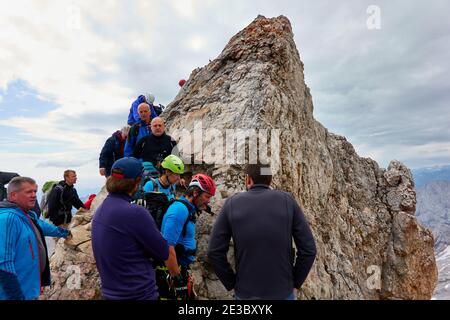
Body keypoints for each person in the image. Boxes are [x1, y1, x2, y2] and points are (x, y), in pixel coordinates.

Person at [207, 163, 317, 300]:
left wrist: (232, 283)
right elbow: (309, 250)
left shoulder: (232, 204)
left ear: (248, 179)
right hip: (283, 292)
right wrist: (295, 282)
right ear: (269, 181)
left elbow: (214, 251)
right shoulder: (288, 201)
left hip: (245, 293)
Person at [91, 157, 178, 300]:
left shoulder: (101, 210)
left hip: (110, 293)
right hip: (138, 294)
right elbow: (163, 252)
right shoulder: (135, 213)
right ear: (137, 182)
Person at [0, 177, 71, 300]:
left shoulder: (26, 215)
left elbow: (42, 226)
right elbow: (3, 263)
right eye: (28, 192)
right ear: (13, 195)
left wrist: (65, 233)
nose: (34, 195)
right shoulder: (8, 219)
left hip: (29, 290)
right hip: (15, 294)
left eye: (35, 191)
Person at [156, 173, 216, 300]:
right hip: (170, 272)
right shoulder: (180, 210)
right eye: (206, 196)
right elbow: (167, 246)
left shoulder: (188, 209)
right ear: (195, 193)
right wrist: (177, 280)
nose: (208, 201)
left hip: (179, 268)